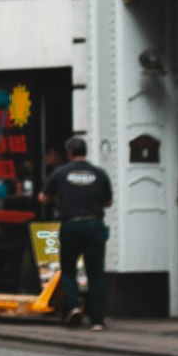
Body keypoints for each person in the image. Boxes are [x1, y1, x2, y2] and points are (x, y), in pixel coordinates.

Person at [39, 135, 113, 330]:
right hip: (94, 225)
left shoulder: (60, 173)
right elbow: (108, 202)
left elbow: (43, 198)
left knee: (69, 270)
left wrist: (59, 195)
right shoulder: (99, 173)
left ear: (69, 153)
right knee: (96, 273)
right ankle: (97, 320)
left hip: (71, 225)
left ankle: (73, 307)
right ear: (85, 152)